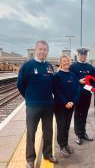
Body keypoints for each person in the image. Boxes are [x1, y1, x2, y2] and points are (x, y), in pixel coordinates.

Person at [17, 40, 58, 168]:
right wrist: (29, 98)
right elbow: (20, 85)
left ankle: (48, 154)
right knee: (31, 132)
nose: (42, 52)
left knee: (48, 131)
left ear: (47, 52)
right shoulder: (27, 66)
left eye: (45, 50)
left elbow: (53, 85)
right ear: (35, 50)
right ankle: (30, 159)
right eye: (40, 49)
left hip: (48, 105)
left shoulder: (49, 67)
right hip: (33, 106)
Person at [54, 54, 80, 157]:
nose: (66, 63)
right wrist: (65, 102)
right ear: (60, 62)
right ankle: (61, 146)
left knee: (67, 126)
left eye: (68, 61)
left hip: (71, 105)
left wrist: (73, 102)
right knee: (61, 126)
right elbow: (56, 91)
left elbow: (77, 90)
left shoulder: (73, 75)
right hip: (60, 106)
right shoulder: (57, 76)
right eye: (64, 61)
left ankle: (66, 144)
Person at [70, 48, 94, 145]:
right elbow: (70, 79)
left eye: (84, 55)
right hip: (77, 95)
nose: (83, 56)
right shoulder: (73, 66)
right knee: (77, 115)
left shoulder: (89, 67)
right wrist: (78, 81)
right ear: (78, 55)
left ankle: (83, 133)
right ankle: (78, 134)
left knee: (84, 115)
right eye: (81, 54)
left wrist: (93, 88)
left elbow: (93, 80)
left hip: (87, 95)